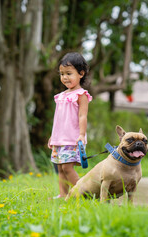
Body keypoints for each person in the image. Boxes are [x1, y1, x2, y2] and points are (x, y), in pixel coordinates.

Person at [48, 52, 92, 199]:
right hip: (59, 138)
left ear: (81, 73)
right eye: (61, 74)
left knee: (67, 167)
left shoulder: (81, 94)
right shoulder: (60, 96)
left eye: (68, 73)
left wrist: (81, 134)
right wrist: (52, 137)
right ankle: (63, 195)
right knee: (60, 168)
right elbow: (59, 120)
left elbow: (82, 116)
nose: (64, 77)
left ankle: (84, 194)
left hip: (73, 138)